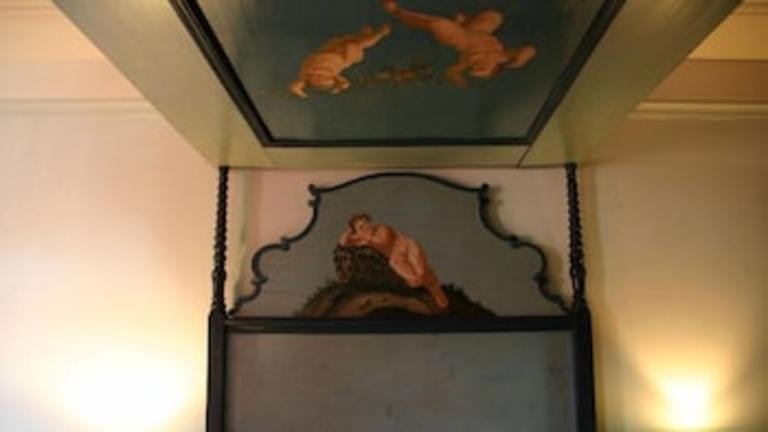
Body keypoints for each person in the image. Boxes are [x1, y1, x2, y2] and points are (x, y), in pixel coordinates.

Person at [381, 0, 536, 87]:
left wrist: (458, 79)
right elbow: (529, 49)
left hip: (462, 37)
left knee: (437, 25)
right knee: (495, 16)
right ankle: (464, 22)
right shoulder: (501, 56)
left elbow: (452, 72)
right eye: (484, 69)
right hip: (479, 30)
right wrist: (518, 61)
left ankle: (397, 12)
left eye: (478, 69)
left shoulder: (468, 62)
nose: (479, 68)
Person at [338, 214, 450, 309]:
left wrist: (363, 239)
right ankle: (434, 297)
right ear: (357, 230)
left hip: (408, 247)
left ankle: (441, 298)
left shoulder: (382, 229)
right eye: (361, 227)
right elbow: (343, 242)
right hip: (396, 256)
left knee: (423, 272)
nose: (366, 228)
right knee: (410, 275)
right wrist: (350, 231)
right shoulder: (362, 237)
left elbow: (383, 241)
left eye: (366, 223)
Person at [290, 24, 391, 98]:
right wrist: (341, 84)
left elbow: (297, 84)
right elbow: (343, 82)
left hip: (327, 56)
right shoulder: (329, 80)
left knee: (353, 43)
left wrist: (298, 89)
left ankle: (371, 35)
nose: (319, 78)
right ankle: (377, 34)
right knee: (358, 44)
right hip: (337, 58)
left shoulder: (307, 76)